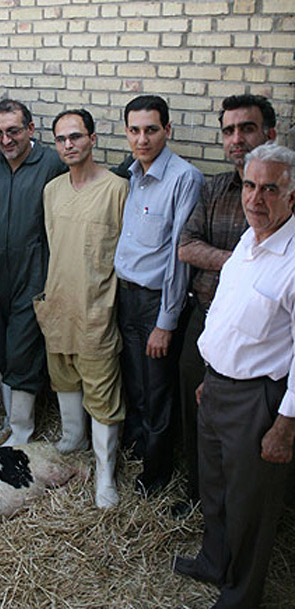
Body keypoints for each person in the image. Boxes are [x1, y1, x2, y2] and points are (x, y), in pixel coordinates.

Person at [173, 143, 295, 609]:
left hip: (258, 400)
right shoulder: (248, 240)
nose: (255, 199)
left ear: (292, 197)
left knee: (250, 505)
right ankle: (213, 560)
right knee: (216, 487)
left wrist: (285, 425)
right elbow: (228, 315)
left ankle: (241, 594)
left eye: (270, 189)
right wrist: (211, 374)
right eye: (249, 185)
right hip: (218, 387)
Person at [176, 94, 276, 515]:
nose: (237, 138)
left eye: (247, 128)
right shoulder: (215, 187)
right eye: (229, 130)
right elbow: (186, 246)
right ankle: (197, 497)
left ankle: (240, 515)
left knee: (246, 433)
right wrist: (238, 263)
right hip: (204, 319)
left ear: (270, 134)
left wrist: (226, 262)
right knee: (194, 413)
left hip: (260, 336)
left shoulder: (283, 192)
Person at [34, 109, 129, 507]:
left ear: (93, 138)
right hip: (59, 303)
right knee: (64, 377)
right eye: (61, 139)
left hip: (96, 308)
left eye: (75, 136)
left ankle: (105, 475)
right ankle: (73, 439)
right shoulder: (52, 190)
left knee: (103, 393)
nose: (68, 145)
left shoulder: (117, 189)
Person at [114, 95, 205, 496]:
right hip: (127, 297)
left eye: (151, 130)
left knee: (158, 391)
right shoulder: (133, 173)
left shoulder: (184, 178)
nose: (142, 139)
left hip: (157, 303)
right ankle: (139, 450)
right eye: (134, 130)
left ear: (167, 130)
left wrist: (166, 323)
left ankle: (156, 473)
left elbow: (178, 257)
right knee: (136, 383)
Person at [0, 99, 66, 445]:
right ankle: (9, 420)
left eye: (13, 131)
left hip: (33, 269)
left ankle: (21, 430)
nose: (6, 140)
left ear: (30, 129)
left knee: (22, 349)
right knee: (0, 347)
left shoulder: (51, 163)